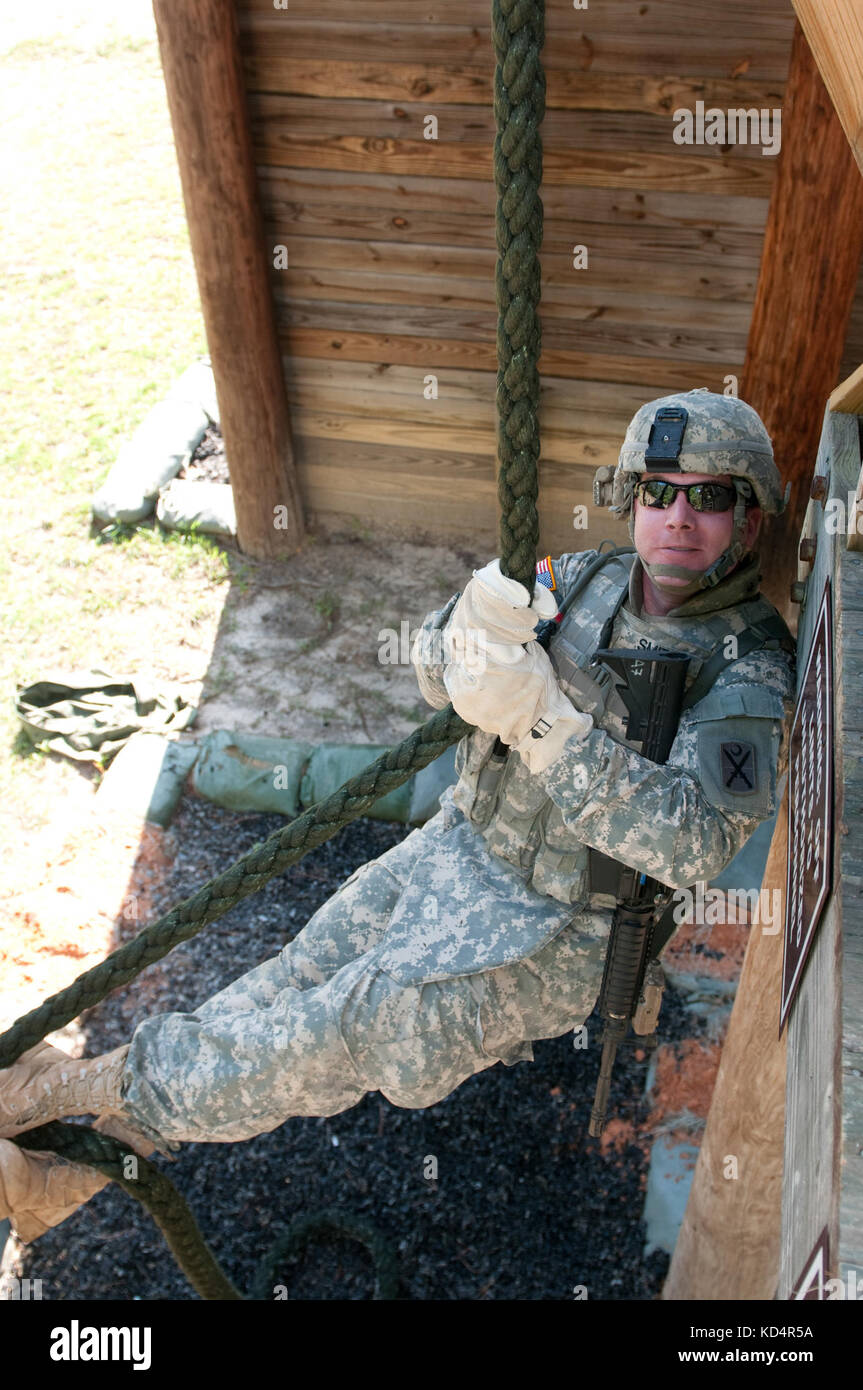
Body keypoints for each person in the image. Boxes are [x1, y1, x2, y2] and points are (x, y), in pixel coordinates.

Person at [0, 389, 797, 1241]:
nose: (679, 517)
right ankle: (68, 1186)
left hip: (563, 931)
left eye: (709, 497)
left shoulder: (748, 673)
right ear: (626, 497)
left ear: (747, 521)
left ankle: (59, 1089)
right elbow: (425, 665)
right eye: (658, 491)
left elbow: (687, 841)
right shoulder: (576, 581)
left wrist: (540, 723)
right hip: (461, 845)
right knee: (290, 982)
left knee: (331, 1032)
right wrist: (463, 630)